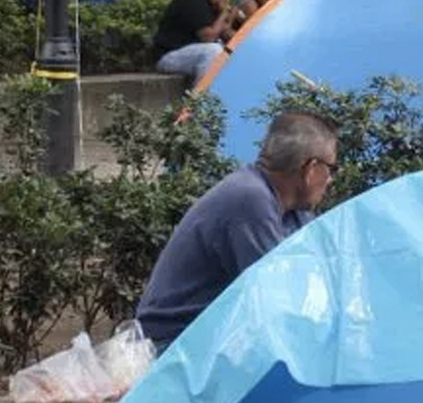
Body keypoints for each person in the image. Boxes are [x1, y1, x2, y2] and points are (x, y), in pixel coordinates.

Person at [134, 112, 339, 350]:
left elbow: (319, 273)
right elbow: (279, 298)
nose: (331, 180)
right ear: (311, 169)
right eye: (331, 169)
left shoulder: (292, 210)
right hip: (173, 347)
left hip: (213, 342)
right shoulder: (250, 199)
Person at [150, 0, 237, 84]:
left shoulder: (215, 0)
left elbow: (225, 34)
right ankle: (198, 102)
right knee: (213, 51)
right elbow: (208, 37)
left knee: (231, 53)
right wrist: (223, 14)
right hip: (169, 55)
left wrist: (229, 17)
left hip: (193, 54)